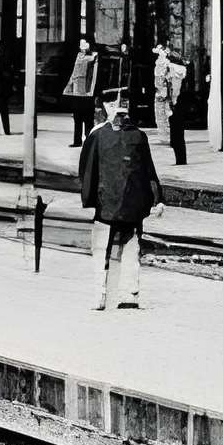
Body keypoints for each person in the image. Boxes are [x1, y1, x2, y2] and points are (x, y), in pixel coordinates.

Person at [75, 93, 160, 310]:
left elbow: (86, 169)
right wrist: (155, 199)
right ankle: (124, 294)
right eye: (116, 103)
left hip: (110, 204)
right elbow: (148, 171)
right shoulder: (136, 136)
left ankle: (106, 295)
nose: (119, 108)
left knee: (105, 248)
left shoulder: (100, 135)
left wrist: (89, 198)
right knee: (126, 247)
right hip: (126, 204)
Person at [150, 44, 191, 166]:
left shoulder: (172, 70)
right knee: (176, 132)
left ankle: (180, 159)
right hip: (176, 103)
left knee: (176, 132)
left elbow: (166, 88)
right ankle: (180, 158)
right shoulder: (178, 71)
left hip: (173, 104)